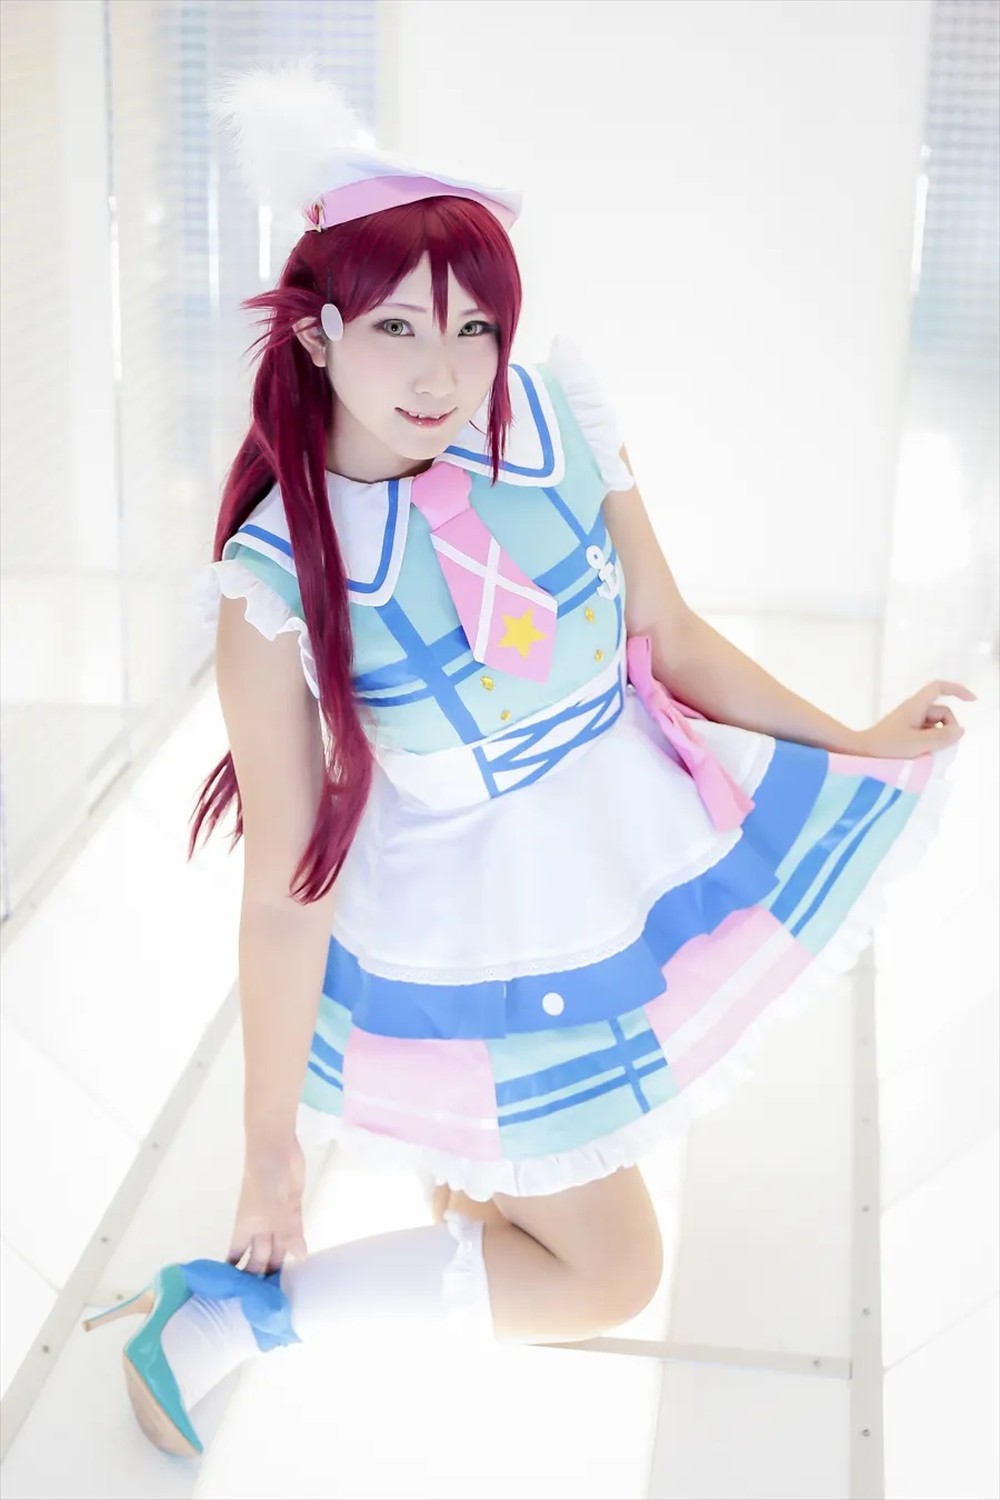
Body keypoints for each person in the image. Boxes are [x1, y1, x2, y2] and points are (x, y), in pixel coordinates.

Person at [83, 61, 974, 1459]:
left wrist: (851, 741)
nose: (443, 374)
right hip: (473, 928)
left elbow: (670, 635)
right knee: (612, 1269)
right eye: (395, 327)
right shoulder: (274, 582)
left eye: (474, 327)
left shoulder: (556, 423)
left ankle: (430, 1225)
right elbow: (284, 888)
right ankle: (230, 1314)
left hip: (621, 845)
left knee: (558, 1201)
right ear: (315, 336)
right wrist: (267, 1150)